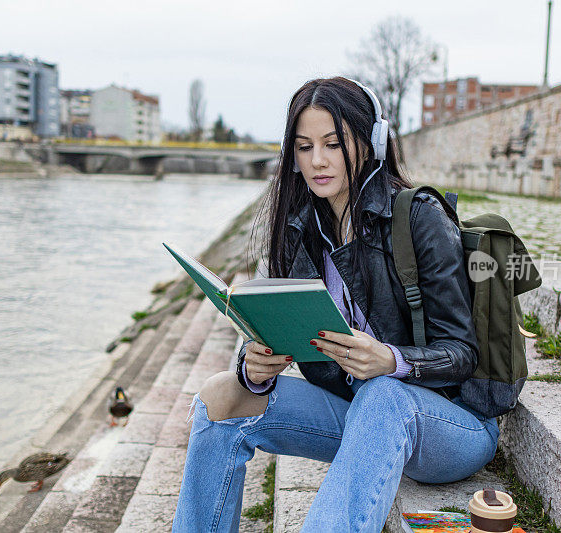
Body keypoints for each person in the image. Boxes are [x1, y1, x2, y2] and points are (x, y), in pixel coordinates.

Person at [172, 77, 499, 533]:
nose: (317, 161)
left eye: (332, 143)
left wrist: (392, 360)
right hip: (358, 415)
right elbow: (282, 342)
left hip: (449, 424)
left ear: (371, 142)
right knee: (219, 396)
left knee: (384, 393)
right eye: (304, 147)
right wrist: (256, 367)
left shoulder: (419, 216)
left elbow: (463, 353)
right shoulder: (300, 232)